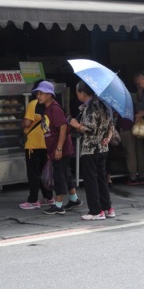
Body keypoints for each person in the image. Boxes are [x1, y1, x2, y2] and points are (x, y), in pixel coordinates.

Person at [69, 80, 116, 220]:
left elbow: (90, 129)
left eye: (77, 92)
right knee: (101, 179)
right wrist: (108, 137)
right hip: (103, 148)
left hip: (90, 149)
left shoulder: (90, 108)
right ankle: (108, 208)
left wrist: (76, 124)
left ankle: (96, 211)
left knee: (91, 180)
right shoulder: (104, 104)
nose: (77, 94)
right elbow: (111, 125)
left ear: (83, 93)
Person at [33, 81, 81, 215]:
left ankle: (58, 205)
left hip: (60, 149)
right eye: (37, 93)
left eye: (41, 93)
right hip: (55, 148)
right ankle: (74, 199)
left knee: (59, 176)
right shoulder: (47, 109)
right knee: (65, 173)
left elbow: (63, 127)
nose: (38, 96)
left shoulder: (55, 109)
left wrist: (59, 149)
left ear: (49, 94)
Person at [19, 79, 55, 210]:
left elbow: (27, 123)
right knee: (44, 171)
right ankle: (49, 197)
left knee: (34, 173)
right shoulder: (50, 105)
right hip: (46, 143)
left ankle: (33, 200)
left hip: (33, 144)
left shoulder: (33, 104)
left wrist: (22, 123)